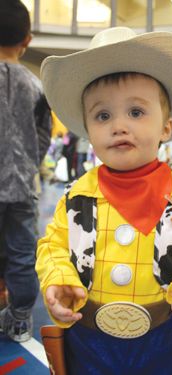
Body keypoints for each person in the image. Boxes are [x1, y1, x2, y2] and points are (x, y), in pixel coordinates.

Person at [36, 27, 172, 375]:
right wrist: (58, 279)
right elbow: (53, 245)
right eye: (102, 115)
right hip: (87, 334)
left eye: (136, 112)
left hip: (162, 335)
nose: (119, 126)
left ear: (167, 127)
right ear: (88, 129)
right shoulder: (77, 195)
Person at [0, 0, 51, 342]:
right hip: (21, 187)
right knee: (21, 255)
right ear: (27, 39)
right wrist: (29, 163)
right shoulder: (36, 86)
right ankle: (20, 321)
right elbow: (44, 133)